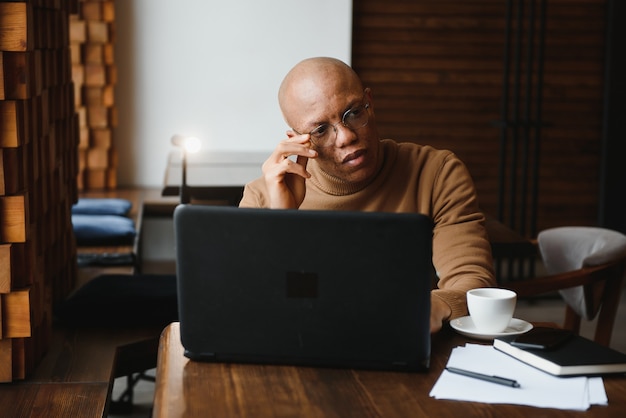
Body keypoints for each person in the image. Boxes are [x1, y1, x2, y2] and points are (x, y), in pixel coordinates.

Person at [239, 57, 496, 333]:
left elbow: (472, 283)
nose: (345, 137)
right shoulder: (262, 196)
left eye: (352, 113)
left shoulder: (436, 173)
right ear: (298, 139)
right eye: (321, 130)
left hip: (403, 341)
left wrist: (434, 307)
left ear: (369, 103)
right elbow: (244, 305)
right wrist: (282, 221)